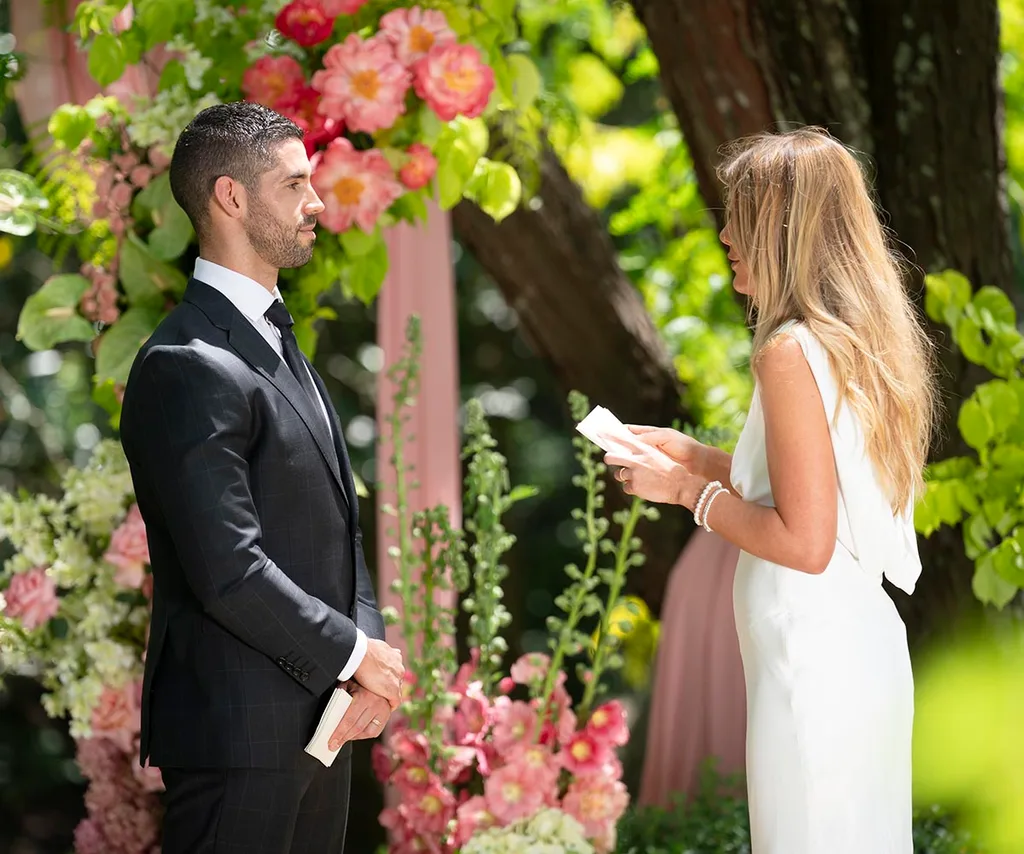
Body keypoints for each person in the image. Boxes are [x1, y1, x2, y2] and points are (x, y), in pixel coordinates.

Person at [604, 128, 936, 853]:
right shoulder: (849, 342)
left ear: (785, 229)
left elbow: (805, 541)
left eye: (741, 216)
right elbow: (817, 490)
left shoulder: (789, 352)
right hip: (850, 653)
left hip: (813, 666)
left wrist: (686, 492)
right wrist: (699, 457)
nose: (725, 233)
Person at [119, 101, 404, 854]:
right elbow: (229, 569)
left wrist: (363, 663)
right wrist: (351, 651)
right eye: (295, 185)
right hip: (235, 742)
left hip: (322, 727)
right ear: (232, 198)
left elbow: (338, 528)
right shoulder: (184, 364)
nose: (316, 204)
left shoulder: (277, 339)